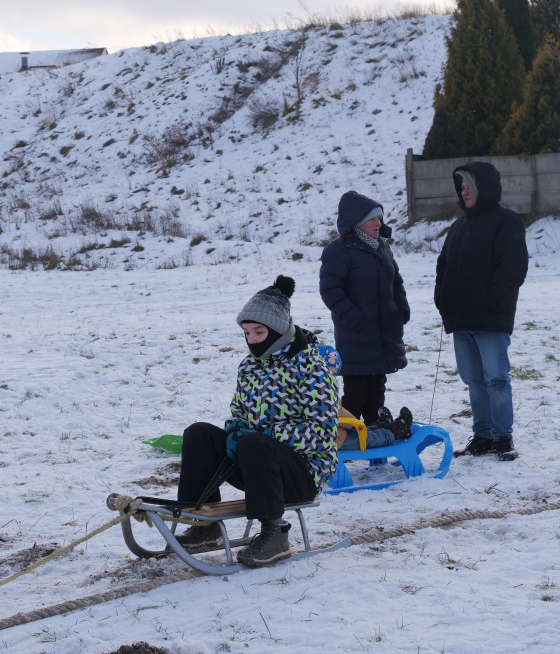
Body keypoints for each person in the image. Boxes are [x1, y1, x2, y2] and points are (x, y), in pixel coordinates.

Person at [175, 275, 340, 567]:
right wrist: (234, 429)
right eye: (246, 333)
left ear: (279, 331)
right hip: (256, 464)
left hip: (302, 473)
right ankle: (203, 524)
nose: (251, 340)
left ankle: (275, 532)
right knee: (198, 434)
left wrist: (262, 436)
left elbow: (322, 433)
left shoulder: (311, 369)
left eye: (259, 332)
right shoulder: (250, 366)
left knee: (254, 441)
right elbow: (238, 411)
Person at [434, 162, 529, 461]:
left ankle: (503, 437)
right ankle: (483, 436)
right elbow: (443, 266)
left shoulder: (506, 221)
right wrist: (442, 299)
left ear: (483, 187)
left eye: (469, 186)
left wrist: (493, 302)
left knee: (496, 379)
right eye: (461, 187)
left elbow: (513, 269)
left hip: (491, 319)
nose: (464, 192)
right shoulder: (458, 227)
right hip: (460, 320)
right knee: (474, 381)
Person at [319, 190, 411, 427]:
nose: (378, 223)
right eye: (373, 219)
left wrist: (401, 309)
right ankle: (345, 436)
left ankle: (375, 435)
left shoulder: (382, 247)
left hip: (383, 332)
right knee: (356, 392)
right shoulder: (338, 251)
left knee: (377, 389)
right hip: (356, 335)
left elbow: (396, 281)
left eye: (380, 218)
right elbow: (331, 291)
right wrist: (355, 320)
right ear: (357, 221)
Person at [337, 405, 414, 450]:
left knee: (360, 432)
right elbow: (336, 411)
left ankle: (381, 427)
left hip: (334, 435)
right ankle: (395, 432)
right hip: (337, 439)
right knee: (367, 438)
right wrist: (355, 425)